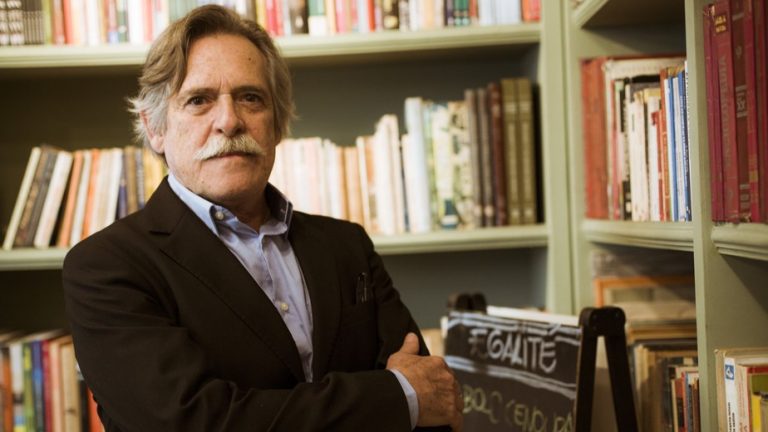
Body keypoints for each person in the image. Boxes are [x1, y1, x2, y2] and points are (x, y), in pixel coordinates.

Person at [61, 4, 463, 432]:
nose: (229, 121)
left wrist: (409, 399)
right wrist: (395, 398)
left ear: (277, 122)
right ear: (155, 128)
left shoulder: (347, 245)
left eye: (250, 98)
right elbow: (194, 423)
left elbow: (433, 398)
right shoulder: (106, 267)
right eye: (199, 100)